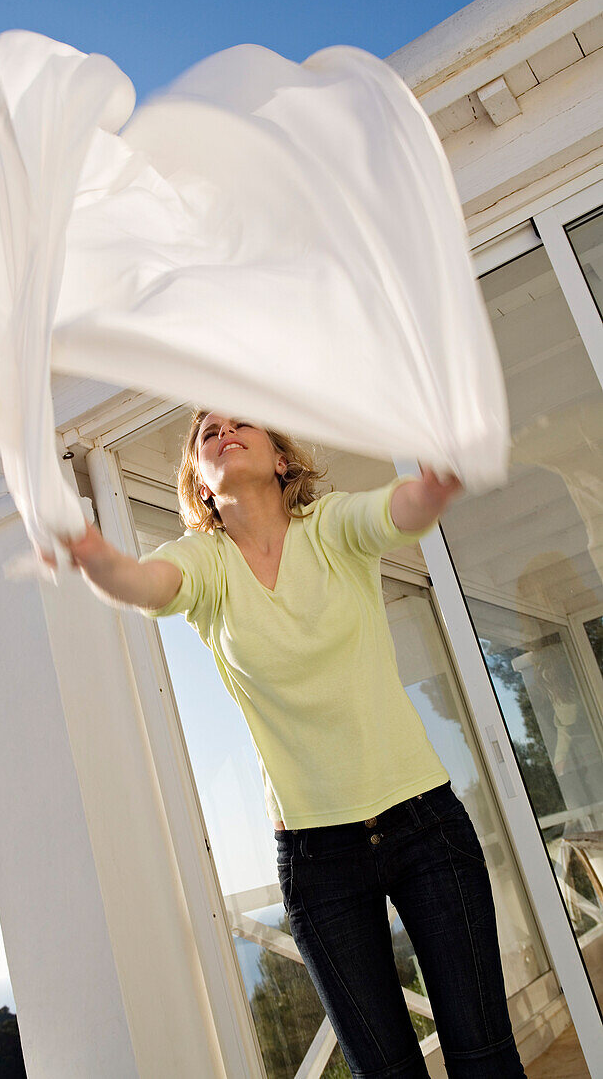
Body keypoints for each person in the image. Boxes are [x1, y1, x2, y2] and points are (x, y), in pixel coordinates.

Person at [41, 409, 526, 1078]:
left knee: (483, 1057)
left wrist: (434, 484)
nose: (221, 430)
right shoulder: (202, 563)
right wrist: (92, 554)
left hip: (424, 827)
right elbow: (143, 585)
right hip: (316, 856)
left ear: (280, 461)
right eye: (205, 434)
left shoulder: (328, 528)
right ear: (201, 488)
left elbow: (395, 511)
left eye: (240, 423)